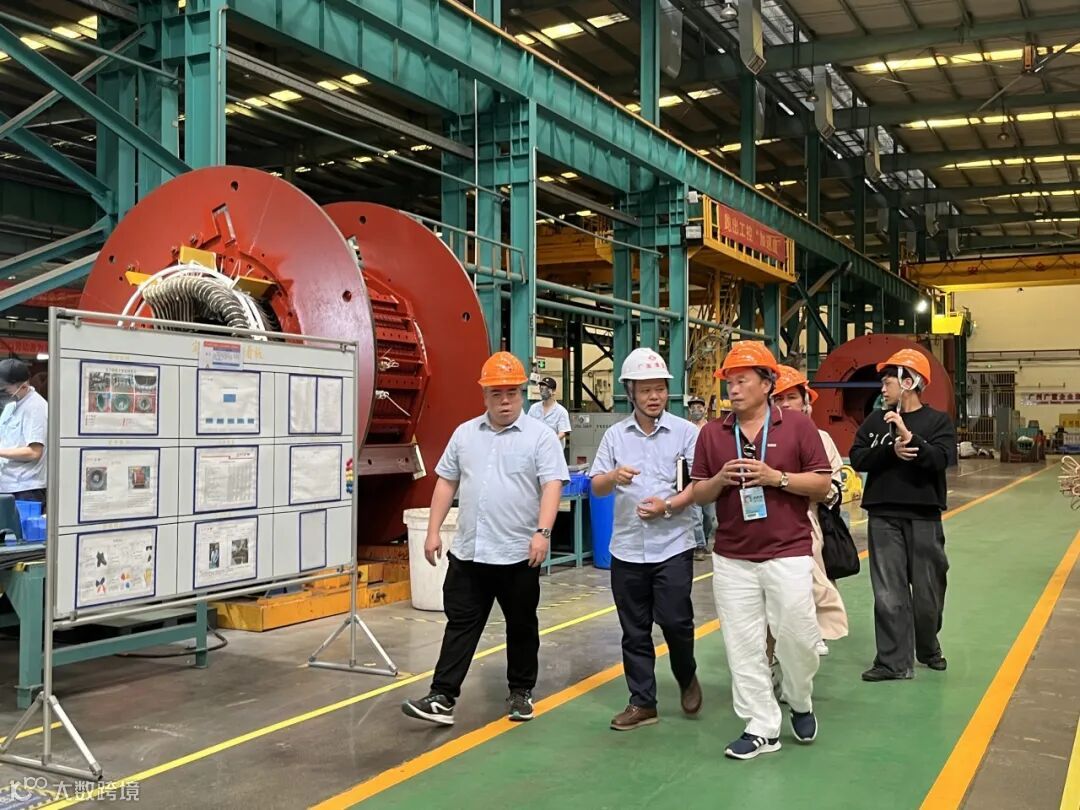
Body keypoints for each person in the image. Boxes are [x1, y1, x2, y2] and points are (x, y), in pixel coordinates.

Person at [402, 352, 569, 725]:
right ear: (484, 395)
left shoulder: (540, 437)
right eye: (497, 394)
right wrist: (432, 531)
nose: (505, 401)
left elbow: (552, 486)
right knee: (460, 624)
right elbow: (447, 482)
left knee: (521, 626)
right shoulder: (465, 434)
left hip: (517, 553)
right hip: (470, 552)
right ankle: (442, 696)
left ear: (521, 393)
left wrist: (543, 533)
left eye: (512, 393)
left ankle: (521, 693)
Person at [691, 341, 832, 760]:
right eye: (729, 382)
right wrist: (719, 480)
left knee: (798, 638)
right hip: (732, 556)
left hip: (788, 551)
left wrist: (777, 478)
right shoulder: (712, 433)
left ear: (767, 384)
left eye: (742, 381)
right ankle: (761, 726)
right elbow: (698, 493)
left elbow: (822, 484)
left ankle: (800, 697)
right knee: (743, 644)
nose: (733, 390)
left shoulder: (798, 427)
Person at [590, 348, 701, 731]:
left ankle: (686, 675)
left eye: (660, 389)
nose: (654, 397)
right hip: (627, 549)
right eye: (646, 390)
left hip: (673, 545)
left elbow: (698, 487)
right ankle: (642, 702)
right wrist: (613, 477)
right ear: (631, 392)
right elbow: (597, 486)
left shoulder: (686, 433)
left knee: (676, 621)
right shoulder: (615, 436)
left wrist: (667, 506)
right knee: (634, 629)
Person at [849, 348, 955, 682]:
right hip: (883, 515)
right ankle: (893, 662)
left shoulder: (938, 422)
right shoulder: (876, 421)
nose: (882, 389)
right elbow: (858, 457)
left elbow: (941, 460)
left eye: (888, 382)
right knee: (888, 592)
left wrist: (911, 439)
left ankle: (928, 646)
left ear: (908, 382)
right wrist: (890, 450)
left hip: (924, 516)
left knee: (928, 592)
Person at [771, 366, 848, 655]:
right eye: (778, 398)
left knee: (809, 573)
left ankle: (813, 629)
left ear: (806, 403)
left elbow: (833, 488)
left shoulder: (821, 439)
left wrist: (793, 484)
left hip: (808, 520)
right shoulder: (760, 437)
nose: (785, 404)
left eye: (791, 397)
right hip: (767, 522)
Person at [0, 359, 48, 505]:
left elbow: (34, 452)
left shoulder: (36, 407)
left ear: (24, 386)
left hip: (26, 490)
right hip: (6, 485)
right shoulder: (11, 406)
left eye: (5, 390)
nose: (2, 394)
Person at [686, 396, 714, 562]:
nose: (696, 410)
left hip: (710, 478)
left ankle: (705, 538)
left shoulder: (711, 429)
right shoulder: (686, 429)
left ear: (704, 409)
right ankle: (699, 546)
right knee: (695, 516)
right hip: (692, 477)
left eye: (699, 407)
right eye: (693, 407)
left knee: (709, 516)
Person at [527, 377, 571, 442]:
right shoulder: (534, 408)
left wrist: (549, 442)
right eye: (541, 388)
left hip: (553, 447)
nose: (543, 391)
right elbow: (528, 426)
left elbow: (563, 432)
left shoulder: (561, 411)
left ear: (554, 391)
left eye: (546, 389)